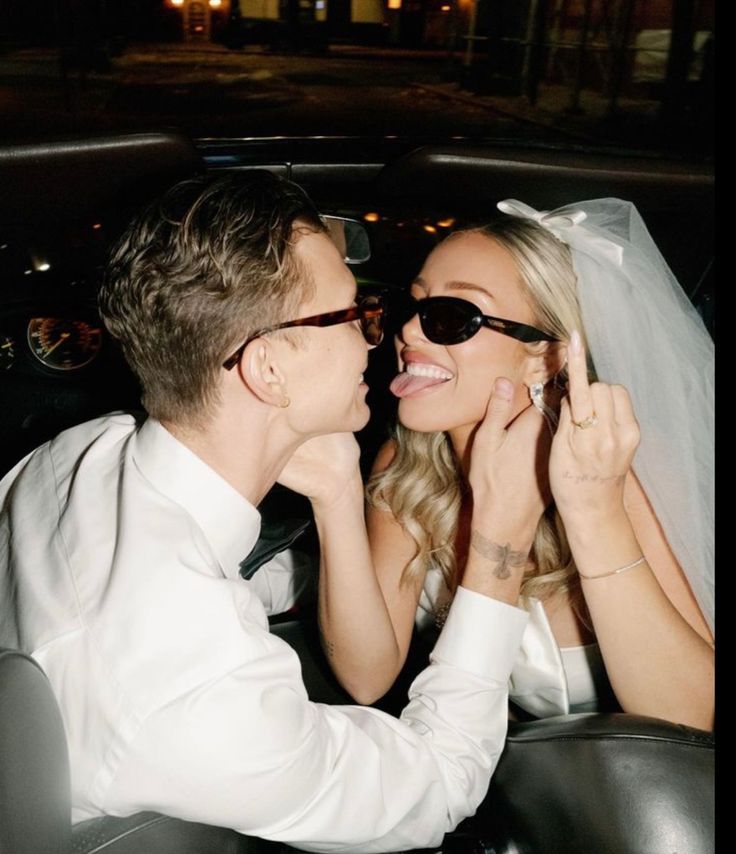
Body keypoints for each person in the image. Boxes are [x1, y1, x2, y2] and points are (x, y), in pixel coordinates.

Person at [0, 171, 534, 852]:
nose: (379, 338)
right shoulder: (206, 688)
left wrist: (335, 492)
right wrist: (498, 545)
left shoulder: (72, 459)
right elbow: (443, 781)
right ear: (268, 370)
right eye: (350, 315)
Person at [319, 198, 714, 731]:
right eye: (411, 306)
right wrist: (334, 491)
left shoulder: (628, 475)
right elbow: (366, 678)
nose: (410, 333)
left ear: (545, 355)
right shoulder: (410, 468)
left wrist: (594, 511)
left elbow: (692, 719)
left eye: (452, 317)